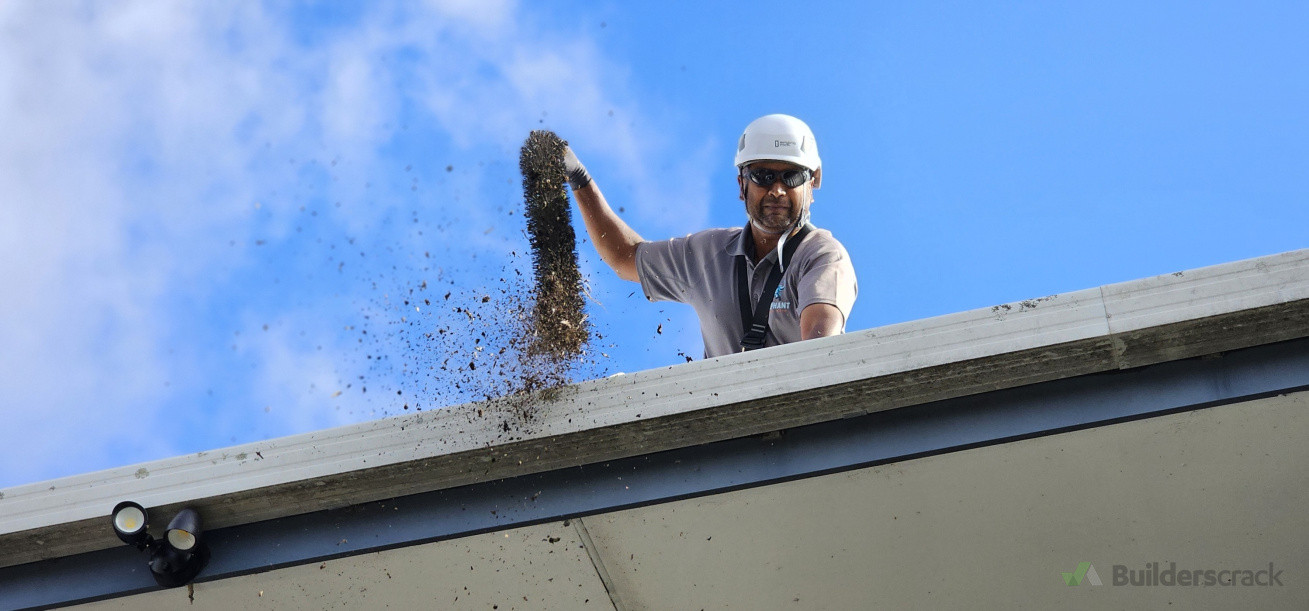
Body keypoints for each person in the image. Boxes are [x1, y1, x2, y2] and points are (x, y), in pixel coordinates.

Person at [563, 114, 857, 358]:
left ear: (812, 184)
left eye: (792, 177)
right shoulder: (710, 254)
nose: (777, 190)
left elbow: (820, 351)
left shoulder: (821, 256)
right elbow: (624, 256)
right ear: (742, 185)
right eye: (764, 176)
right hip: (725, 423)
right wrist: (579, 179)